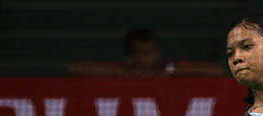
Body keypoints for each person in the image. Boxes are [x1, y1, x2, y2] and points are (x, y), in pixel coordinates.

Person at [68, 28, 226, 77]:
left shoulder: (167, 66)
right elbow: (75, 68)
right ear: (130, 58)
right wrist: (129, 74)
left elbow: (217, 70)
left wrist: (168, 72)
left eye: (153, 52)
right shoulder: (123, 68)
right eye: (144, 54)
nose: (151, 57)